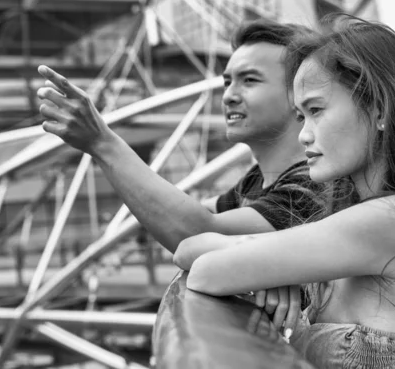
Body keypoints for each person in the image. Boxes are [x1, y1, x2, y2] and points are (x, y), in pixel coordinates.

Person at [174, 14, 395, 368]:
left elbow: (207, 268)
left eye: (316, 110)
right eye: (301, 116)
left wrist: (264, 266)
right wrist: (270, 269)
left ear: (379, 109)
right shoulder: (355, 217)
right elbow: (187, 249)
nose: (304, 135)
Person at [36, 19, 327, 335]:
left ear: (298, 95)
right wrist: (259, 257)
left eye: (250, 80)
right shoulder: (257, 181)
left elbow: (194, 230)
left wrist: (103, 143)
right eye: (227, 81)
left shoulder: (311, 186)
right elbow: (192, 214)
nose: (229, 95)